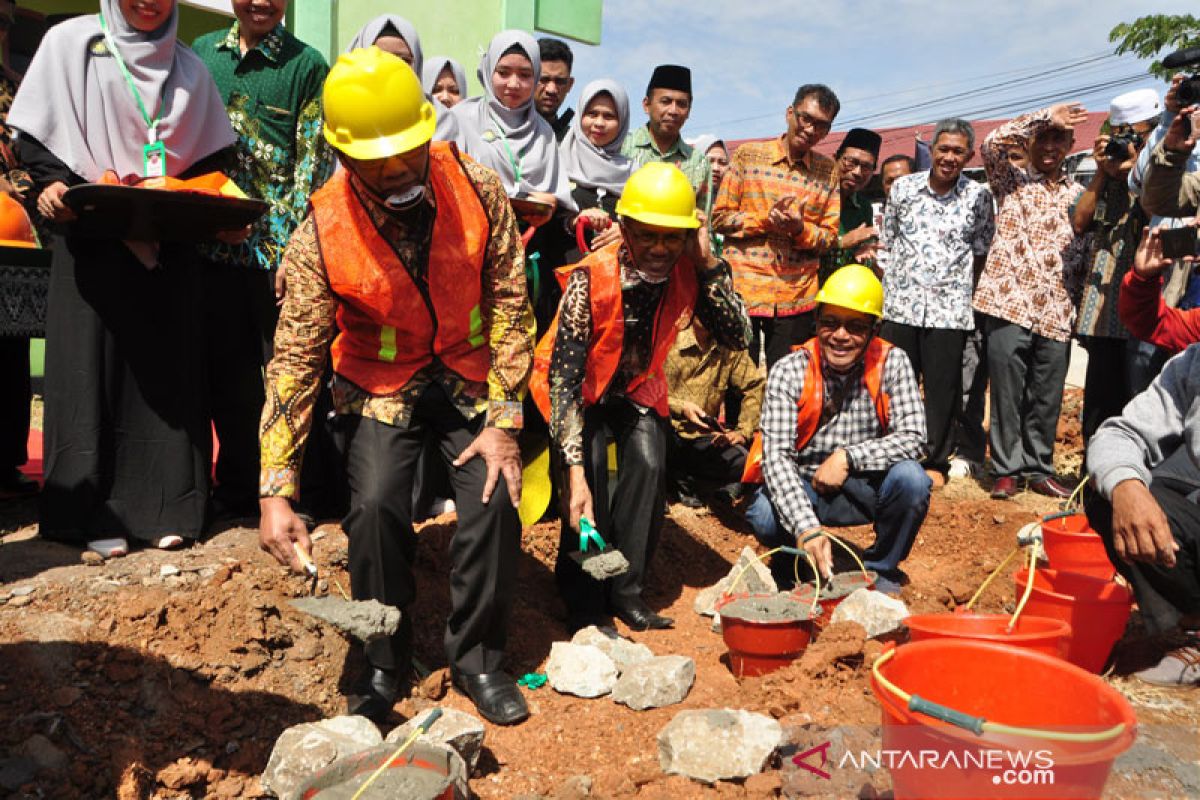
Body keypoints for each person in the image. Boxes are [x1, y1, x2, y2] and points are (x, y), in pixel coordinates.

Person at [257, 48, 535, 726]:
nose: (400, 173)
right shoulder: (319, 233)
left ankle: (477, 660)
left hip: (472, 377)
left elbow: (510, 302)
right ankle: (383, 656)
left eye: (408, 155)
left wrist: (503, 421)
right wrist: (275, 488)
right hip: (380, 385)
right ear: (346, 158)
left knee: (495, 501)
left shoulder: (477, 186)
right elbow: (294, 361)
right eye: (378, 166)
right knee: (377, 503)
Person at [12, 0, 236, 556]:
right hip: (91, 243)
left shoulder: (190, 68)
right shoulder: (72, 45)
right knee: (91, 377)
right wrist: (54, 185)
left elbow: (216, 158)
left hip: (167, 250)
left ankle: (166, 507)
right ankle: (87, 515)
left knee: (164, 381)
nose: (147, 1)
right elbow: (35, 135)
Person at [529, 162, 751, 633]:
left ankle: (627, 591)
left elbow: (738, 336)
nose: (658, 248)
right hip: (579, 390)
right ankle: (585, 599)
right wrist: (572, 473)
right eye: (646, 234)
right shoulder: (591, 278)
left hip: (634, 387)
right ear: (625, 227)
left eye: (672, 237)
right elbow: (565, 382)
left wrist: (708, 262)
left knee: (650, 463)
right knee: (586, 474)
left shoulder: (689, 271)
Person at [192, 0, 335, 526]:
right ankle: (233, 490)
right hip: (211, 247)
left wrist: (293, 254)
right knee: (226, 376)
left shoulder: (307, 65)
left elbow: (313, 167)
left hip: (277, 258)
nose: (261, 2)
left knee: (292, 375)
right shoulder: (202, 56)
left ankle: (300, 491)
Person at [744, 265, 930, 595]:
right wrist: (806, 527)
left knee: (912, 480)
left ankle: (879, 570)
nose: (840, 335)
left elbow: (914, 439)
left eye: (855, 327)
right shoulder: (790, 370)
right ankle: (793, 561)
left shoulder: (893, 362)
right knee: (763, 513)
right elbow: (776, 459)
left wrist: (848, 457)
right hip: (805, 484)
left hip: (865, 483)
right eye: (830, 323)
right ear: (816, 323)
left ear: (875, 329)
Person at [972, 102, 1090, 500]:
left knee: (1047, 394)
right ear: (1032, 140)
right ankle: (1005, 469)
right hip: (1010, 303)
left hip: (1057, 309)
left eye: (1060, 138)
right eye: (1045, 138)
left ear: (1072, 144)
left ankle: (1039, 468)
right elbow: (989, 145)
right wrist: (1044, 117)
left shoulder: (1081, 197)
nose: (1051, 146)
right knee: (1006, 391)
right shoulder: (1012, 181)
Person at [879, 119, 994, 485]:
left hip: (949, 310)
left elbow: (980, 253)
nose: (949, 157)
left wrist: (963, 295)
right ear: (932, 150)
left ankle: (935, 461)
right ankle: (890, 454)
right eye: (943, 149)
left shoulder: (979, 197)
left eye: (958, 151)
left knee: (942, 391)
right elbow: (889, 240)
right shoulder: (903, 188)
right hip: (901, 304)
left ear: (969, 155)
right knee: (896, 383)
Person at [1085, 342, 1200, 686]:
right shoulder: (1192, 364)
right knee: (1110, 495)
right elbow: (1120, 433)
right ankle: (1193, 629)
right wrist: (1127, 486)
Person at [712, 84, 841, 368]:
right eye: (806, 118)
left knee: (788, 383)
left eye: (821, 125)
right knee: (737, 383)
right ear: (789, 113)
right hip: (743, 289)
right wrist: (765, 221)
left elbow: (830, 238)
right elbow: (719, 219)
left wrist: (799, 230)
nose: (810, 129)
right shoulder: (748, 156)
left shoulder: (828, 170)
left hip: (796, 296)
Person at [1071, 89, 1159, 443]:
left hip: (1149, 311)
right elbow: (1079, 221)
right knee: (1098, 409)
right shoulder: (1106, 175)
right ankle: (1093, 487)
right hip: (1104, 314)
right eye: (1119, 134)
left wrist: (1137, 171)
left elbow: (1156, 212)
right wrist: (1103, 173)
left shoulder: (1167, 170)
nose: (1125, 144)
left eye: (1134, 135)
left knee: (1145, 405)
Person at [449, 30, 574, 213]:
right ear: (488, 71)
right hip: (470, 234)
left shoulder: (544, 133)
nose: (514, 84)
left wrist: (551, 202)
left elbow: (558, 199)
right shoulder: (461, 119)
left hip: (529, 237)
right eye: (503, 72)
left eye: (524, 75)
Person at [664, 316, 764, 509]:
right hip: (665, 431)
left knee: (744, 462)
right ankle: (666, 480)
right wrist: (680, 407)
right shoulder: (669, 338)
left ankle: (686, 476)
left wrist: (743, 430)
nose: (710, 314)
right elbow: (646, 390)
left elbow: (754, 385)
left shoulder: (729, 346)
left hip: (702, 438)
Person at [0, 0, 36, 499]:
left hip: (13, 237)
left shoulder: (15, 83)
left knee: (11, 355)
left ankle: (6, 462)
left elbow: (27, 151)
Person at [347, 15, 459, 142]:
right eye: (382, 57)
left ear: (417, 64)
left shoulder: (440, 120)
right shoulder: (345, 115)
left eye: (404, 60)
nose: (394, 67)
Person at [621, 65, 711, 206]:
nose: (673, 110)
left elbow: (703, 221)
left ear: (688, 111)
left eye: (681, 104)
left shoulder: (699, 162)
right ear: (646, 105)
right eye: (665, 102)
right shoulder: (622, 146)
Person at [820, 127, 882, 279]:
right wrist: (842, 242)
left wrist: (863, 256)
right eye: (851, 162)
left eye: (866, 167)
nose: (857, 172)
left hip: (843, 292)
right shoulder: (815, 196)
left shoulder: (863, 207)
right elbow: (801, 248)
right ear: (835, 159)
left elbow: (861, 254)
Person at [535, 37, 575, 141]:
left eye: (560, 81)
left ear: (570, 85)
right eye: (543, 79)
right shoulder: (503, 135)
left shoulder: (574, 145)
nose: (551, 90)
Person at [690, 134, 730, 199]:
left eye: (722, 162)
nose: (716, 168)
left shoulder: (733, 204)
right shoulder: (681, 197)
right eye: (709, 161)